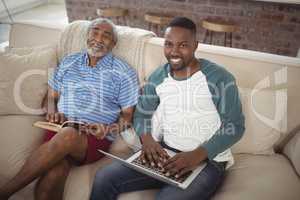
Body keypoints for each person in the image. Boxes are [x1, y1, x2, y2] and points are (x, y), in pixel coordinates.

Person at [90, 17, 245, 200]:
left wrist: (197, 155)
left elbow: (235, 126)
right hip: (165, 153)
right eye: (169, 44)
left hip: (207, 161)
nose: (174, 52)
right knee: (104, 177)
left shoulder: (219, 78)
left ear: (195, 45)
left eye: (183, 45)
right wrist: (147, 140)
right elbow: (142, 113)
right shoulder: (159, 76)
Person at [0, 18, 139, 200]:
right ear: (87, 36)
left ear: (113, 44)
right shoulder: (69, 62)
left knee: (68, 135)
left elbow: (127, 115)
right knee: (51, 178)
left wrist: (109, 129)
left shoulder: (123, 72)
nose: (98, 38)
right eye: (95, 32)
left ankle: (5, 192)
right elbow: (51, 97)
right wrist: (52, 111)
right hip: (59, 127)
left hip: (93, 136)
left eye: (106, 36)